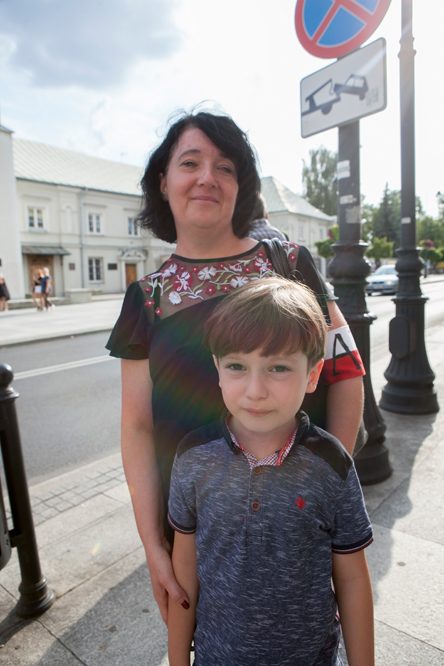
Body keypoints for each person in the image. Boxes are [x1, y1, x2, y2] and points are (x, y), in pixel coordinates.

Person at [105, 110, 365, 623]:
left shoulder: (289, 263)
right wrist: (153, 545)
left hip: (298, 519)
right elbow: (137, 426)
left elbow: (345, 370)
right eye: (190, 163)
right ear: (163, 181)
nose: (207, 177)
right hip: (194, 529)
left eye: (225, 167)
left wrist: (327, 486)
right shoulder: (146, 299)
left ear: (240, 185)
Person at [168, 277, 374, 666]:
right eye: (237, 366)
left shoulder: (331, 465)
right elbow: (185, 569)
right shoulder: (193, 457)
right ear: (217, 368)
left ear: (312, 374)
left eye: (278, 367)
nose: (255, 390)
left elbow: (352, 580)